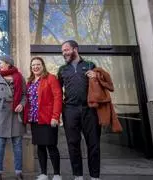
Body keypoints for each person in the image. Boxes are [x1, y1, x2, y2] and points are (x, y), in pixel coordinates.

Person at [57, 40, 100, 180]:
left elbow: (100, 85)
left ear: (75, 49)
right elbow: (57, 92)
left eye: (66, 49)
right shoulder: (62, 70)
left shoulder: (90, 65)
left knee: (93, 144)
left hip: (89, 110)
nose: (64, 53)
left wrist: (97, 77)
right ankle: (78, 176)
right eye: (63, 51)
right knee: (73, 144)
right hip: (69, 110)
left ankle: (95, 176)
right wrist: (57, 113)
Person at [24, 57, 63, 180]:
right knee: (40, 147)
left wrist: (55, 116)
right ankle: (44, 173)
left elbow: (58, 97)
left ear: (43, 65)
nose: (35, 67)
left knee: (51, 146)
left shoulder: (50, 78)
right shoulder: (29, 81)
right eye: (33, 65)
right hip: (35, 119)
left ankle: (57, 174)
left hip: (48, 118)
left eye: (38, 64)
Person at [0, 56, 26, 180]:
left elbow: (25, 95)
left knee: (18, 145)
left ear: (8, 64)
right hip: (1, 113)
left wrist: (21, 104)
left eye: (1, 63)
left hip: (16, 114)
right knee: (0, 144)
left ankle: (19, 172)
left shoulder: (19, 77)